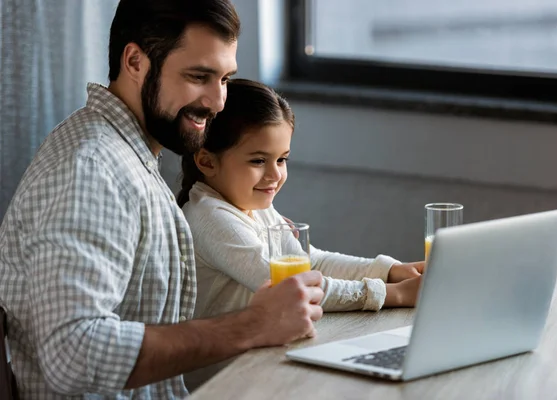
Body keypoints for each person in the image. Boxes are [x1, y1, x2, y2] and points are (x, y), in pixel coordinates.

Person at [0, 1, 325, 398]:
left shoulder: (127, 155)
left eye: (224, 79)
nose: (217, 102)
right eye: (198, 76)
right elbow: (73, 353)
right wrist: (253, 325)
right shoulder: (92, 170)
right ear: (135, 61)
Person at [178, 79, 424, 385]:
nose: (275, 175)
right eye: (258, 160)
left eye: (282, 159)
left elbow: (309, 263)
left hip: (264, 361)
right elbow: (293, 288)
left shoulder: (252, 205)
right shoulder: (210, 217)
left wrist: (391, 271)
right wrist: (391, 294)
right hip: (227, 381)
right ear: (206, 161)